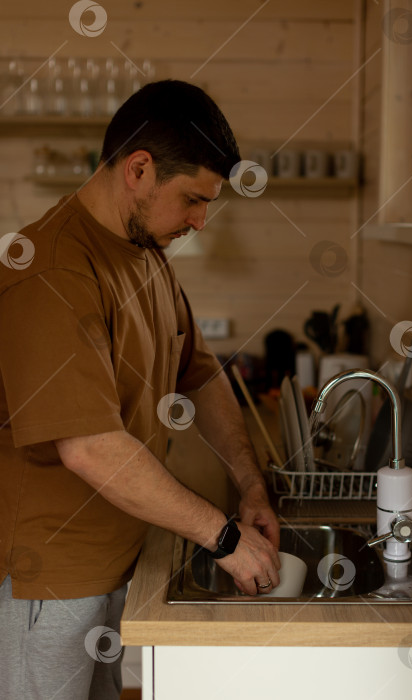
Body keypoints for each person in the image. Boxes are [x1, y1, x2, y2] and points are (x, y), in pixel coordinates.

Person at [0, 80, 280, 700]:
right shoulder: (50, 270)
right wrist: (224, 537)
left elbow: (201, 374)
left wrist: (250, 486)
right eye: (192, 199)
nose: (201, 220)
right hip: (49, 577)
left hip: (117, 557)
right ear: (139, 169)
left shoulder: (145, 253)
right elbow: (89, 447)